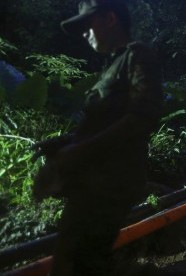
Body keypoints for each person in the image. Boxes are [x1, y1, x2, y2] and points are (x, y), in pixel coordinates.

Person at [32, 1, 162, 275]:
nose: (84, 34)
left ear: (110, 19)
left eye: (87, 25)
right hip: (92, 184)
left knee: (77, 263)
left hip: (109, 184)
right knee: (77, 260)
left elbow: (142, 117)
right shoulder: (112, 66)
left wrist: (79, 151)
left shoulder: (136, 57)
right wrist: (65, 143)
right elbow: (104, 122)